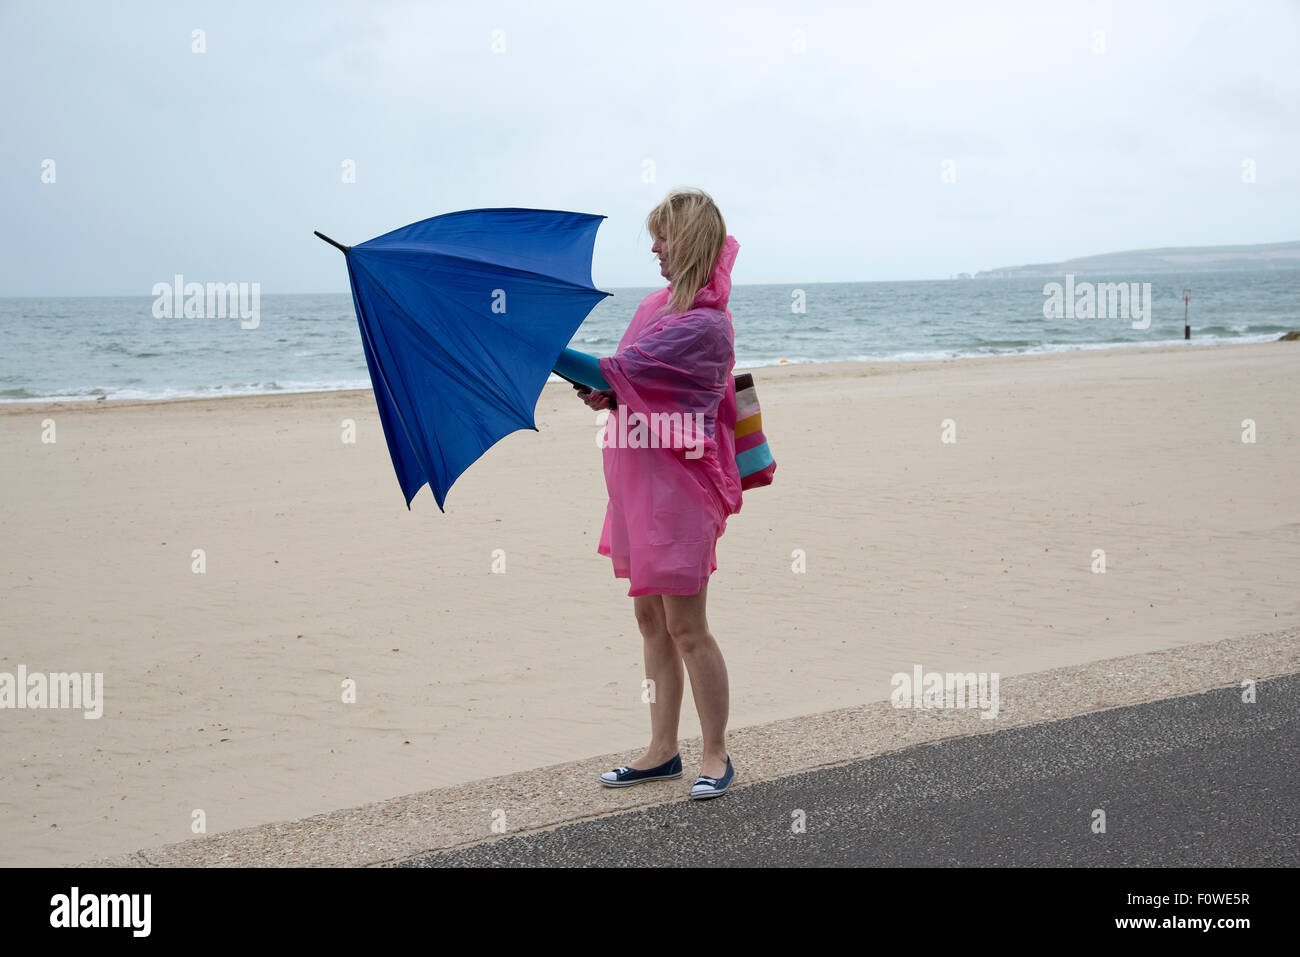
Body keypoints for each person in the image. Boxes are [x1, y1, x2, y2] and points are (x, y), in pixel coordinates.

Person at [554, 187, 744, 799]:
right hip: (636, 477)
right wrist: (606, 394)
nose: (656, 250)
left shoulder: (707, 325)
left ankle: (714, 753)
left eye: (663, 238)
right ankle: (663, 750)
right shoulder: (658, 307)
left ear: (689, 242)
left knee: (688, 625)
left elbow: (622, 370)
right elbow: (631, 378)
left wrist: (546, 352)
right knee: (649, 619)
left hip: (682, 486)